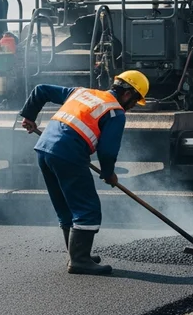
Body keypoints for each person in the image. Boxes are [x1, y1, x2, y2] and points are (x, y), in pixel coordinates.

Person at [18, 71, 149, 276]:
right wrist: (109, 173)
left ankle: (77, 253)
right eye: (134, 102)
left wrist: (29, 116)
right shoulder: (115, 112)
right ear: (127, 95)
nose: (131, 107)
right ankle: (79, 261)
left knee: (66, 207)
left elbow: (41, 90)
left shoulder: (81, 93)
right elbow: (107, 150)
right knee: (87, 208)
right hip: (68, 155)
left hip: (44, 150)